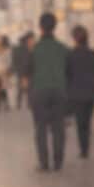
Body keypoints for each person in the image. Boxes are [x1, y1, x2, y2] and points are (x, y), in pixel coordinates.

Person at [29, 12, 70, 171]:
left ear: (40, 27)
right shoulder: (63, 49)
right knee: (59, 127)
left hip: (39, 91)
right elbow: (69, 72)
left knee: (40, 128)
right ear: (55, 27)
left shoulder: (35, 49)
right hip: (59, 91)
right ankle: (58, 162)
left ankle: (44, 163)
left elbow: (28, 71)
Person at [66, 25, 94, 158]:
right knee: (86, 121)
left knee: (81, 123)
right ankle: (85, 147)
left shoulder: (70, 55)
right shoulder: (93, 53)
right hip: (90, 94)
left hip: (76, 94)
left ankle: (84, 150)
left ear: (74, 39)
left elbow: (67, 75)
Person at [11, 31, 34, 109]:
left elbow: (14, 61)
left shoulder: (15, 49)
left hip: (19, 70)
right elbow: (28, 60)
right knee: (29, 88)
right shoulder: (27, 49)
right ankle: (29, 103)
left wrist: (15, 69)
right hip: (27, 70)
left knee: (20, 88)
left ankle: (18, 103)